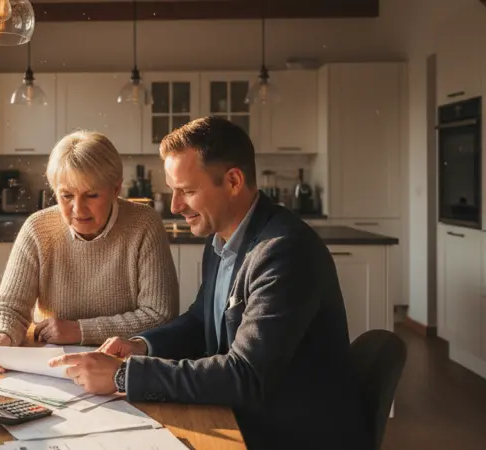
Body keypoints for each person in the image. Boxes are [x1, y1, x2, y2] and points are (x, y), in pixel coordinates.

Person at [49, 117, 371, 450]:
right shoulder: (222, 238)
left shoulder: (285, 251)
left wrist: (122, 375)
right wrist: (141, 346)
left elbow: (245, 375)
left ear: (233, 181)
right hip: (246, 415)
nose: (175, 207)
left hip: (293, 434)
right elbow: (201, 319)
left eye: (187, 191)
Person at [0, 130, 178, 373]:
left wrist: (80, 330)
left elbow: (161, 315)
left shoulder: (144, 224)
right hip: (52, 369)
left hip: (122, 368)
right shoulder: (37, 228)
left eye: (91, 195)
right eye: (66, 195)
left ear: (116, 189)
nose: (77, 209)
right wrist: (1, 333)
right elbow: (9, 305)